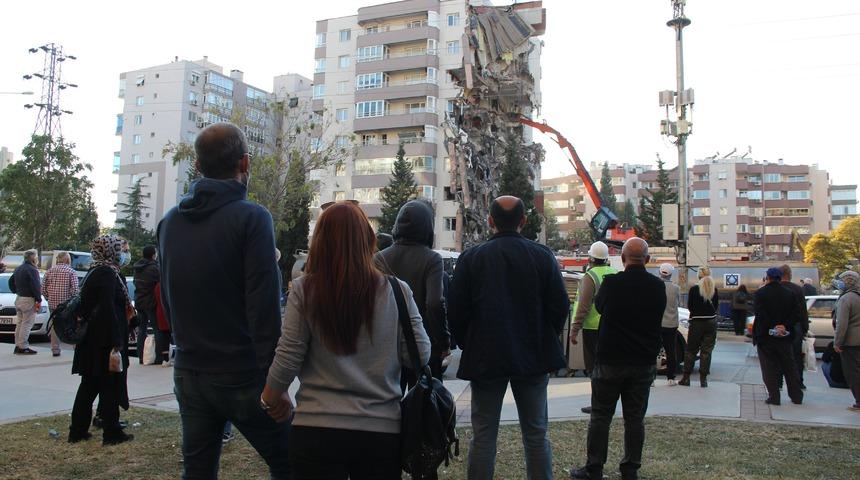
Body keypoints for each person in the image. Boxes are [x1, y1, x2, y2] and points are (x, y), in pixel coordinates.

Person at [157, 123, 290, 479]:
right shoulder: (253, 218)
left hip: (189, 370)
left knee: (198, 471)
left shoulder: (169, 223)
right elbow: (263, 309)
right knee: (293, 462)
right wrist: (275, 384)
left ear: (197, 167)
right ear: (245, 163)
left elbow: (168, 299)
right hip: (241, 372)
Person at [262, 201, 430, 478]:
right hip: (380, 431)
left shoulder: (305, 290)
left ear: (320, 242)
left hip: (316, 429)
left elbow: (288, 355)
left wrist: (270, 397)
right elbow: (420, 354)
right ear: (368, 239)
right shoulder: (397, 291)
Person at [449, 196, 570, 480]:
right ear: (523, 221)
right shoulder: (542, 256)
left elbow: (456, 309)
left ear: (490, 221)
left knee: (483, 434)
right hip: (533, 355)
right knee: (536, 433)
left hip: (486, 355)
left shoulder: (472, 258)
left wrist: (470, 341)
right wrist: (544, 335)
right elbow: (560, 306)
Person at [569, 237, 666, 480]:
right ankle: (630, 469)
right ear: (648, 260)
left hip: (610, 360)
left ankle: (594, 469)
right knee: (635, 418)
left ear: (622, 259)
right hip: (642, 362)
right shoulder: (658, 287)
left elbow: (600, 307)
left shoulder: (612, 284)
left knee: (600, 416)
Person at [69, 235, 134, 445]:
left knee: (89, 386)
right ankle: (111, 432)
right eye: (121, 249)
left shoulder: (95, 271)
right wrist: (116, 339)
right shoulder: (107, 273)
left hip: (93, 340)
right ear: (110, 250)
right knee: (109, 386)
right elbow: (107, 307)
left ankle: (77, 431)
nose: (124, 253)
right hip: (104, 341)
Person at [376, 199, 450, 384]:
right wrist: (443, 341)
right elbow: (434, 303)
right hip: (424, 344)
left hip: (387, 344)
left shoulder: (379, 259)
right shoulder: (432, 259)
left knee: (392, 404)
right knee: (425, 406)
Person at [570, 241, 616, 414]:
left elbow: (583, 306)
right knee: (607, 367)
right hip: (611, 328)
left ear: (590, 258)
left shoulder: (590, 277)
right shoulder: (614, 272)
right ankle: (606, 401)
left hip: (592, 328)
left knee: (594, 368)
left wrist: (575, 329)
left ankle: (597, 403)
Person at [752, 267, 804, 406]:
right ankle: (796, 395)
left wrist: (772, 326)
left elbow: (760, 314)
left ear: (767, 277)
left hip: (766, 336)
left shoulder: (760, 293)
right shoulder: (790, 294)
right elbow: (796, 314)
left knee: (768, 368)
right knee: (789, 366)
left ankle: (774, 396)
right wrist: (784, 326)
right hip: (785, 336)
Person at [679, 266, 719, 387]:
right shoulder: (714, 289)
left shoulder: (694, 289)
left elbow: (690, 306)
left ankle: (686, 378)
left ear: (699, 275)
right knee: (706, 351)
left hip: (696, 322)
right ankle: (703, 379)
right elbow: (716, 306)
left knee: (691, 350)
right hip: (711, 322)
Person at [42, 251, 79, 357]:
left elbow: (43, 288)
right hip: (67, 305)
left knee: (55, 325)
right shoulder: (71, 272)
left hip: (53, 304)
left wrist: (49, 297)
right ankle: (75, 348)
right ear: (68, 260)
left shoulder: (49, 271)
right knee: (71, 325)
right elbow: (75, 290)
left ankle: (55, 349)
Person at [780, 264, 810, 389]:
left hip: (780, 326)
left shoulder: (777, 288)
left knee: (779, 355)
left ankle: (779, 381)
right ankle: (798, 381)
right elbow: (803, 310)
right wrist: (805, 327)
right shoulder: (798, 289)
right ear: (790, 275)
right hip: (795, 326)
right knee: (796, 356)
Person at [834, 270, 860, 411]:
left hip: (851, 342)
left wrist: (838, 342)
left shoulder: (846, 298)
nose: (840, 283)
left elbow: (842, 323)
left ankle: (859, 401)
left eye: (842, 280)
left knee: (852, 372)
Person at [133, 245, 162, 365]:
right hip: (150, 302)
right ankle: (159, 357)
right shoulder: (154, 268)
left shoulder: (137, 267)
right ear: (153, 254)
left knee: (142, 330)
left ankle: (141, 356)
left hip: (139, 301)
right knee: (157, 329)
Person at [10, 249, 41, 355]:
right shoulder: (32, 270)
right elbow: (35, 285)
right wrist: (38, 299)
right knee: (27, 324)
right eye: (36, 257)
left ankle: (18, 345)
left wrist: (16, 291)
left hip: (19, 297)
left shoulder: (18, 268)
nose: (37, 259)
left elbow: (11, 282)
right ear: (33, 258)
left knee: (20, 323)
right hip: (28, 299)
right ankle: (23, 346)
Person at [658, 263, 681, 385]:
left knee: (654, 349)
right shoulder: (676, 288)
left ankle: (651, 378)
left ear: (660, 272)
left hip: (658, 323)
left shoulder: (656, 286)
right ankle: (670, 378)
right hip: (672, 323)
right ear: (671, 274)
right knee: (671, 351)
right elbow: (678, 302)